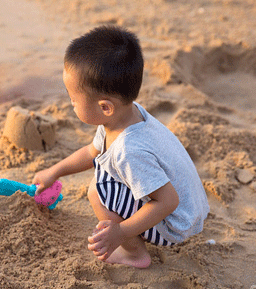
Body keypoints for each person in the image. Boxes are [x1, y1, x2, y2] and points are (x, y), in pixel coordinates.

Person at [32, 25, 209, 268]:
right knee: (104, 176)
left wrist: (121, 232)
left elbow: (167, 201)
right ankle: (133, 243)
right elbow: (90, 153)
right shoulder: (127, 116)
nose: (70, 103)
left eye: (73, 98)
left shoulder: (129, 149)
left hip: (176, 223)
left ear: (105, 107)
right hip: (192, 208)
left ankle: (135, 254)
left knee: (98, 190)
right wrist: (55, 172)